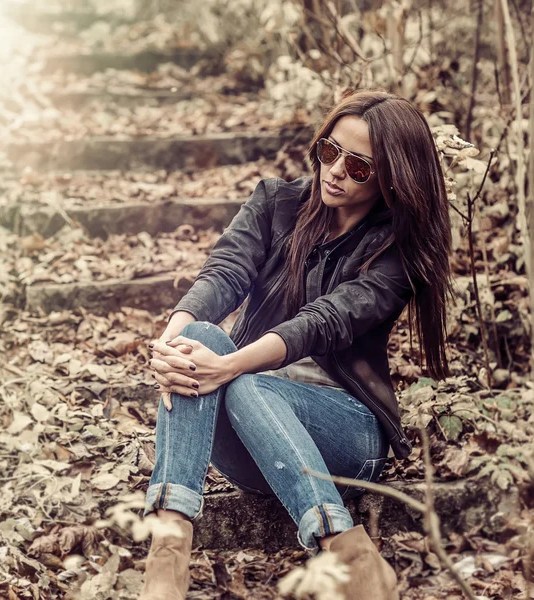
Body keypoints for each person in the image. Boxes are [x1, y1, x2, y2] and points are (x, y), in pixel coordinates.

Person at [139, 89, 452, 600]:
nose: (335, 172)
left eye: (359, 167)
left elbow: (324, 321)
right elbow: (226, 270)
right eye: (330, 152)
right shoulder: (275, 202)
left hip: (345, 436)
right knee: (199, 338)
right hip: (252, 440)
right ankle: (168, 550)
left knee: (243, 383)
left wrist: (232, 365)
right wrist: (171, 339)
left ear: (392, 177)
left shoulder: (397, 250)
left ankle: (346, 550)